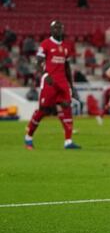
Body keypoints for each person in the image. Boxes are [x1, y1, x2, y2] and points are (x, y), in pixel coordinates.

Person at [23, 20, 81, 150]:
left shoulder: (66, 47)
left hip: (63, 82)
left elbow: (67, 67)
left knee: (67, 108)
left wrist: (71, 85)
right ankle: (28, 137)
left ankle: (68, 141)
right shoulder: (45, 44)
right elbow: (38, 62)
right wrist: (44, 74)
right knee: (44, 110)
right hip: (49, 81)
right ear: (51, 29)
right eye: (55, 28)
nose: (58, 30)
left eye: (60, 28)